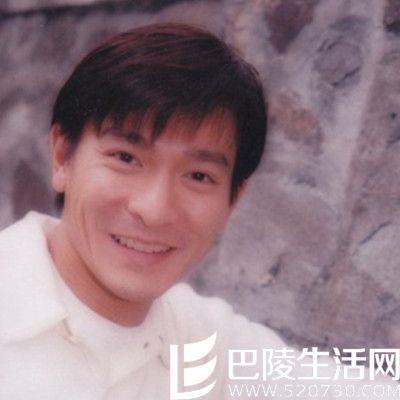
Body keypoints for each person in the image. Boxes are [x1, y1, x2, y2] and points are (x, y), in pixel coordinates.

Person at [0, 23, 391, 400]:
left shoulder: (196, 340)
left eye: (199, 176)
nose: (154, 210)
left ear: (233, 199)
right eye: (125, 157)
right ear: (62, 156)